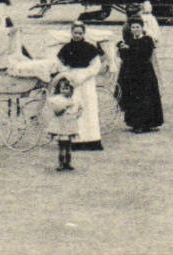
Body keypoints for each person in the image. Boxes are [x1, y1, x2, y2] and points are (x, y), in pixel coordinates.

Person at [54, 21, 107, 150]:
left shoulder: (89, 47)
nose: (77, 35)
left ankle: (91, 140)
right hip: (72, 81)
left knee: (88, 108)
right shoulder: (66, 48)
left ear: (84, 34)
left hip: (87, 81)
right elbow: (60, 64)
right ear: (71, 33)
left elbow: (96, 65)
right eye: (75, 32)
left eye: (80, 33)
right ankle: (74, 140)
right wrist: (67, 75)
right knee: (73, 108)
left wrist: (84, 76)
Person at [116, 18, 164, 132]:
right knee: (134, 97)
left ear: (142, 28)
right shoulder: (128, 40)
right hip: (131, 73)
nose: (135, 29)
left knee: (147, 97)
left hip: (144, 72)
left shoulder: (147, 40)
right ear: (130, 29)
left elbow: (145, 55)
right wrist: (122, 49)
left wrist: (129, 49)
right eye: (133, 27)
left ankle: (149, 123)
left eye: (138, 27)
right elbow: (124, 57)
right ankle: (136, 123)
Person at [46, 76, 81, 171]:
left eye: (67, 89)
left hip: (70, 125)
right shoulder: (57, 99)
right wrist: (64, 107)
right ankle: (60, 163)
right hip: (61, 126)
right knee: (61, 145)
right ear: (59, 90)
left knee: (69, 145)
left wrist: (77, 113)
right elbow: (56, 110)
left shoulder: (73, 100)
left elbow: (80, 108)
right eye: (63, 89)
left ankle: (68, 163)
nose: (65, 91)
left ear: (71, 90)